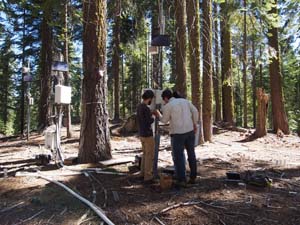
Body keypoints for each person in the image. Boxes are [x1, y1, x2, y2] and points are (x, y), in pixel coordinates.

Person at [154, 89, 198, 186]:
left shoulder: (168, 105)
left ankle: (182, 179)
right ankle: (193, 176)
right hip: (189, 131)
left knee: (178, 156)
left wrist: (158, 114)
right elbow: (195, 111)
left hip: (178, 133)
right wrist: (194, 123)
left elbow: (164, 120)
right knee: (191, 153)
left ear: (166, 98)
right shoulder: (185, 101)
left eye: (164, 100)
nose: (164, 101)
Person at [136, 90, 155, 183]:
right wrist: (154, 116)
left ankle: (142, 173)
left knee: (144, 154)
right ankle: (148, 176)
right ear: (150, 98)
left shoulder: (139, 106)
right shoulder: (146, 108)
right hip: (147, 134)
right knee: (149, 155)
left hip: (141, 134)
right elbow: (149, 121)